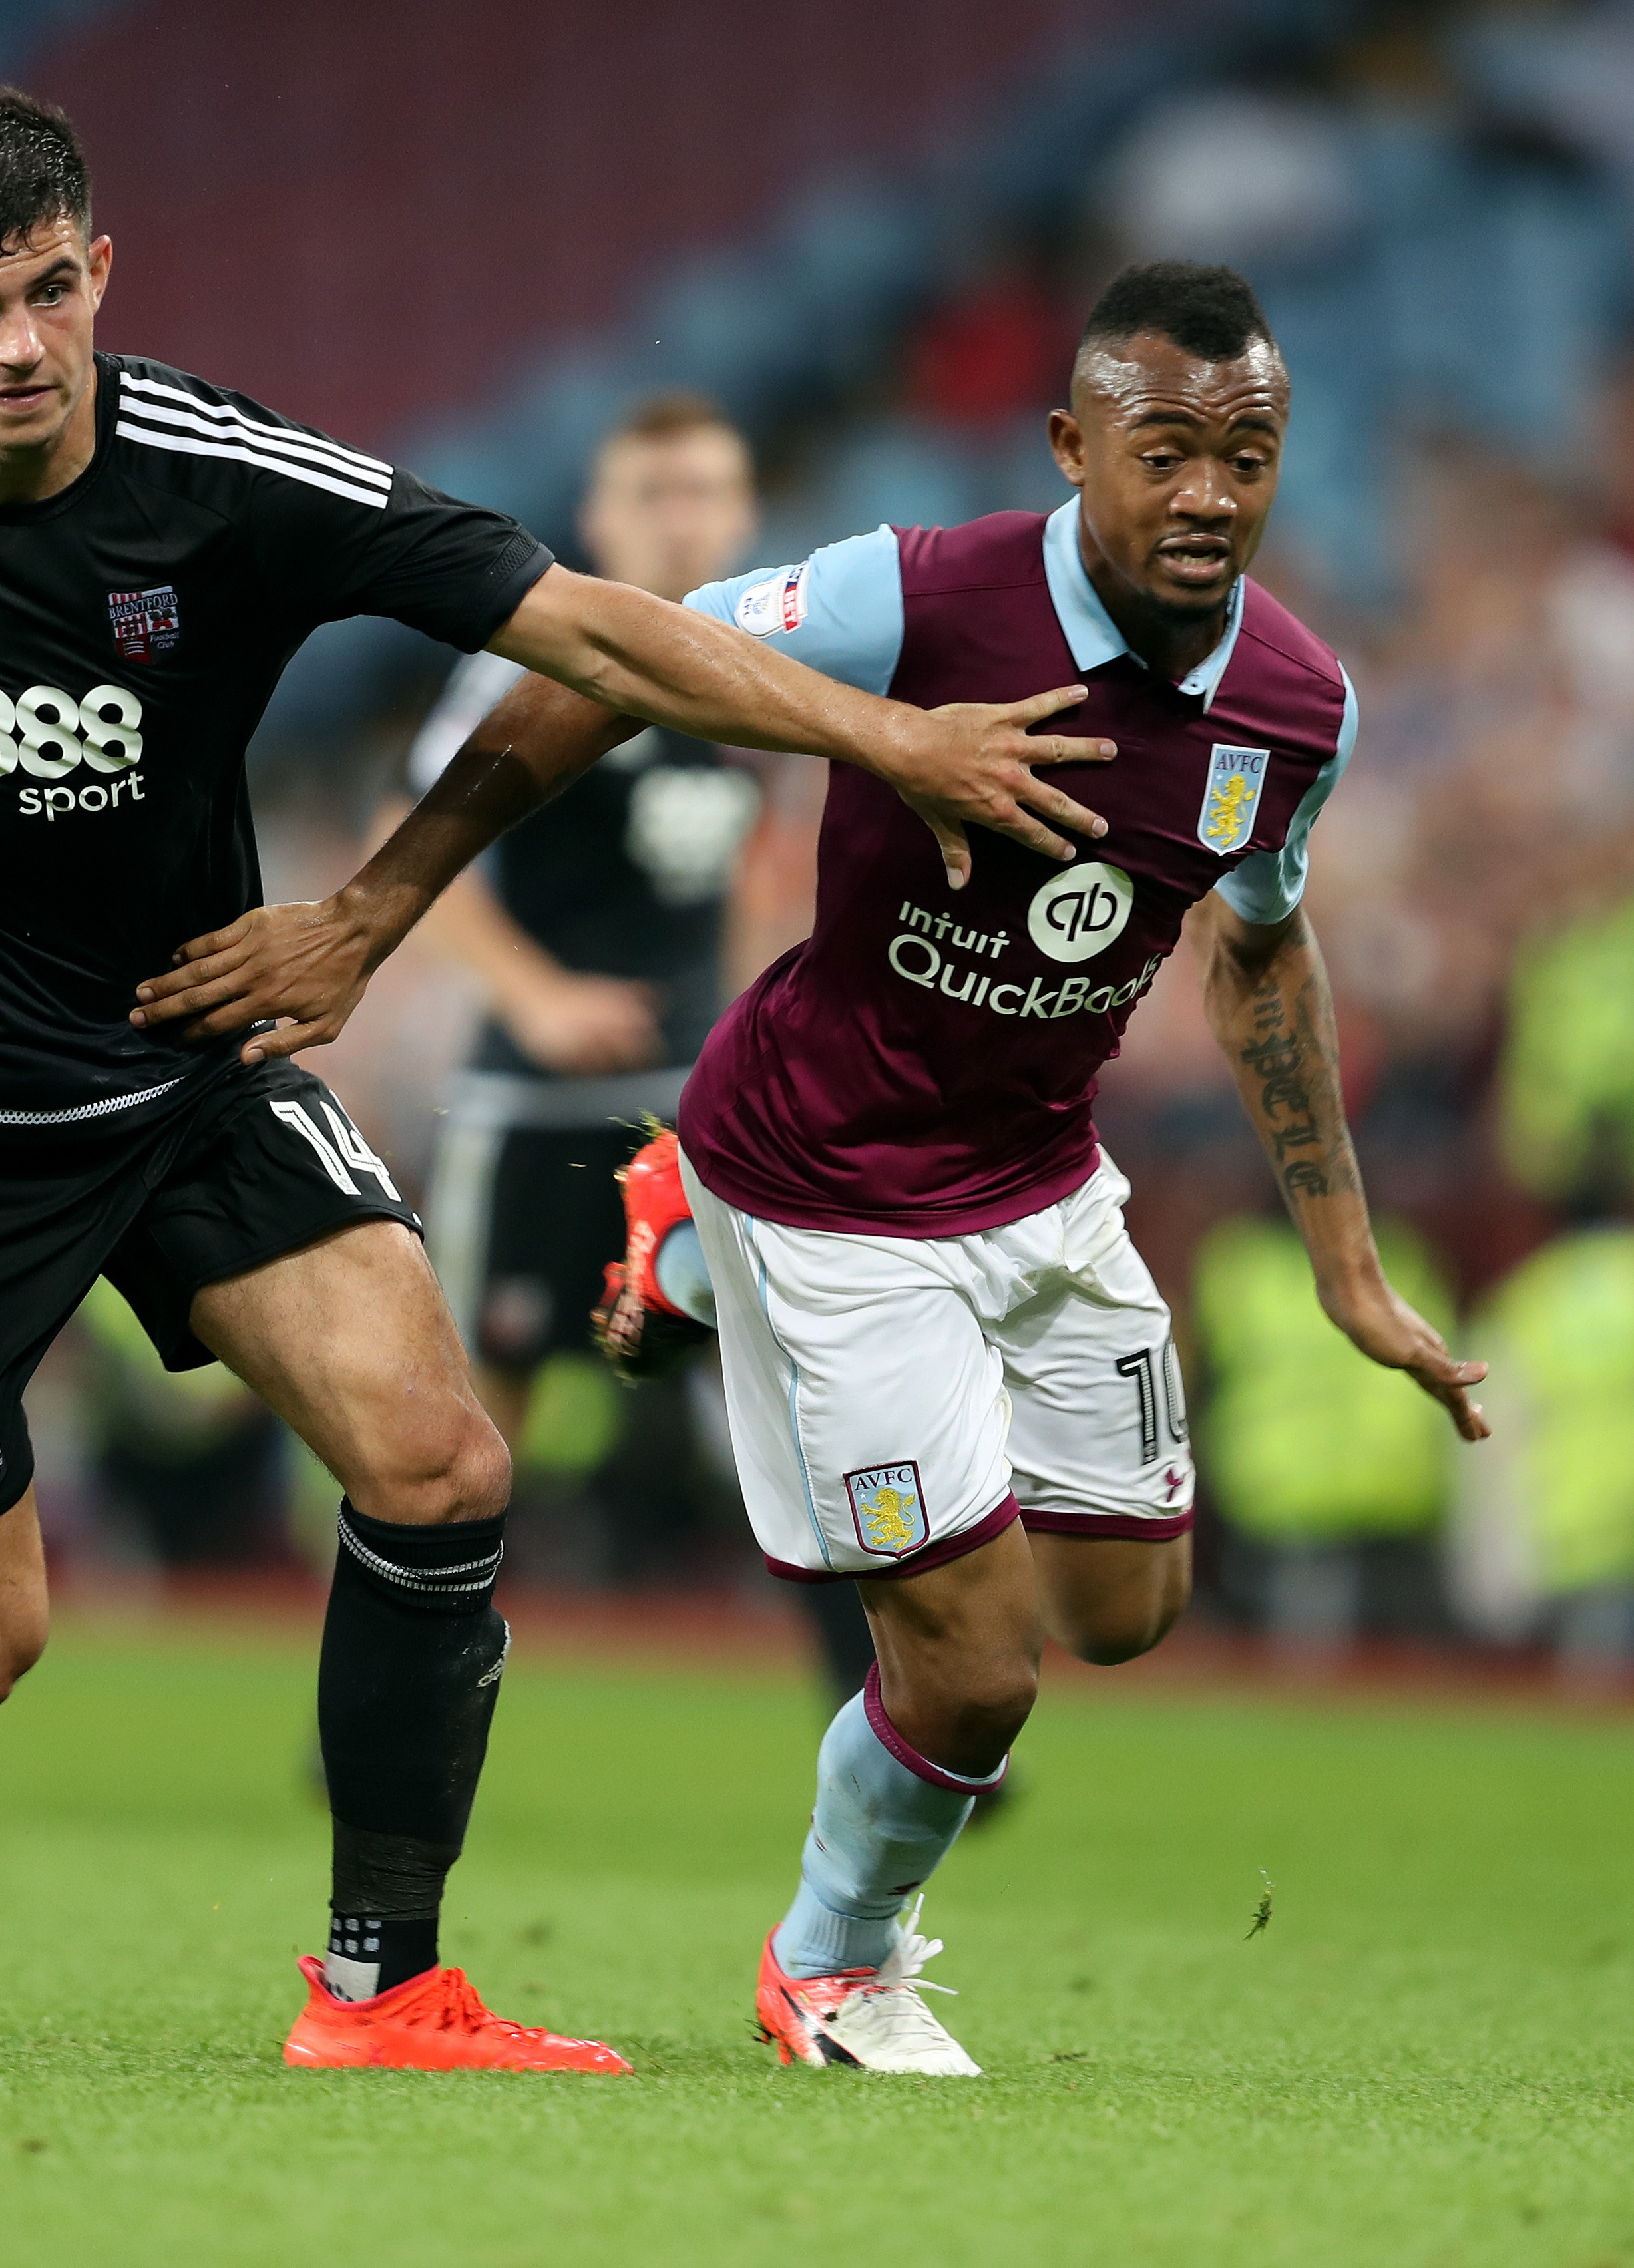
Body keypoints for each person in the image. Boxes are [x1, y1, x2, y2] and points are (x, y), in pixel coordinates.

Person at [0, 84, 1104, 2072]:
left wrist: (886, 742)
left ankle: (379, 1988)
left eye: (54, 291)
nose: (21, 347)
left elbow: (588, 629)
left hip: (180, 1056)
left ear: (103, 276)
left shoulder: (227, 477)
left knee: (438, 1459)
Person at [153, 260, 1490, 2075]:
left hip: (1042, 1184)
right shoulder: (916, 595)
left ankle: (680, 1250)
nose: (1206, 495)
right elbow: (606, 666)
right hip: (825, 1182)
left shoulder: (1295, 704)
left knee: (1129, 1613)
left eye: (1245, 454)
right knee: (977, 1672)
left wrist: (1343, 1260)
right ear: (1070, 447)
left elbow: (1259, 944)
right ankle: (833, 1964)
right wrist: (376, 915)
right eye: (1162, 449)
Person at [397, 393, 763, 1443]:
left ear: (744, 516)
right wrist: (535, 995)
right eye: (654, 494)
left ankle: (851, 1614)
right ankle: (439, 1610)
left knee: (779, 1407)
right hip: (537, 1106)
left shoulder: (776, 664)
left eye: (706, 493)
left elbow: (744, 875)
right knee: (471, 1431)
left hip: (700, 1111)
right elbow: (406, 826)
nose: (681, 519)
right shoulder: (539, 659)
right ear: (599, 519)